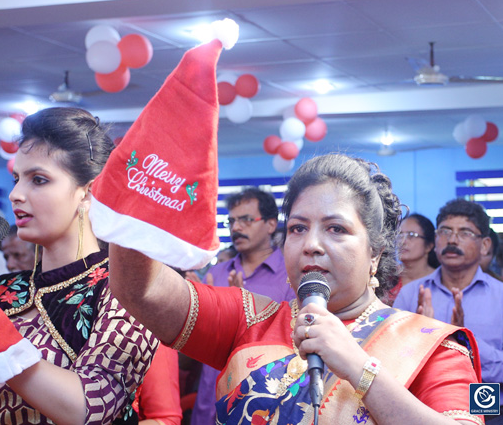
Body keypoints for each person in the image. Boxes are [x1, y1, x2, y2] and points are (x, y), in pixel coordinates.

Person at [108, 154, 483, 424]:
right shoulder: (250, 321)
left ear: (375, 252)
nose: (311, 244)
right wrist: (145, 182)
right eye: (298, 228)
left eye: (336, 229)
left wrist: (358, 367)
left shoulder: (435, 347)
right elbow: (140, 289)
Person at [0, 107, 159, 424]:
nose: (16, 194)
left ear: (88, 193)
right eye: (17, 179)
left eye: (39, 180)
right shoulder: (1, 292)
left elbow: (88, 409)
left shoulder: (125, 293)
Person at [395, 198, 503, 425]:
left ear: (485, 245)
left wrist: (466, 341)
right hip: (423, 411)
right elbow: (392, 365)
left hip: (492, 411)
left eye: (465, 233)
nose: (452, 239)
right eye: (445, 231)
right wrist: (423, 339)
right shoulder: (411, 295)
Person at [191, 187, 294, 425]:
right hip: (209, 400)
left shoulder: (290, 275)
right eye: (232, 221)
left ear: (270, 224)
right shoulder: (216, 273)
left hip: (262, 406)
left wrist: (243, 306)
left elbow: (292, 345)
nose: (236, 227)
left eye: (246, 219)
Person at [385, 213, 439, 305]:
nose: (403, 241)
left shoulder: (439, 279)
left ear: (429, 245)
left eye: (411, 235)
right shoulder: (388, 278)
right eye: (400, 235)